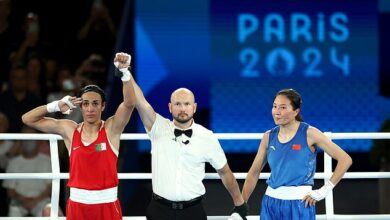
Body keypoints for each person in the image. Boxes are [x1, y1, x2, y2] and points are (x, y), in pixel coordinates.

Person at [114, 52, 248, 220]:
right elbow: (140, 101)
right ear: (170, 107)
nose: (182, 109)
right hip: (159, 210)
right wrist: (125, 72)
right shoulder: (158, 127)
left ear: (194, 107)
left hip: (193, 211)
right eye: (178, 104)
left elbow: (225, 172)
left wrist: (240, 204)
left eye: (186, 104)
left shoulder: (207, 136)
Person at [21, 52, 136, 220]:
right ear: (80, 107)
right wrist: (55, 106)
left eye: (95, 104)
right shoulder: (69, 129)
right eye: (85, 104)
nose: (90, 109)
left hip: (107, 204)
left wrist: (125, 72)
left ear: (103, 106)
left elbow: (130, 103)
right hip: (77, 204)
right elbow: (27, 119)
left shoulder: (111, 128)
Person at [241, 88, 353, 220]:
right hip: (270, 203)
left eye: (283, 107)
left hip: (300, 203)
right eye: (274, 106)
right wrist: (240, 207)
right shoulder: (268, 137)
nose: (277, 112)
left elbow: (345, 159)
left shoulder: (310, 133)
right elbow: (253, 173)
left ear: (296, 111)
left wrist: (324, 190)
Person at [2, 126, 51, 217]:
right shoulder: (13, 163)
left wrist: (35, 201)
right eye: (25, 138)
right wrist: (24, 200)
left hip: (42, 201)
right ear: (20, 141)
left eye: (31, 138)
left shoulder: (47, 161)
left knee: (49, 211)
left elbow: (50, 188)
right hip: (19, 201)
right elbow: (10, 191)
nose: (28, 141)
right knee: (14, 211)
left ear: (39, 141)